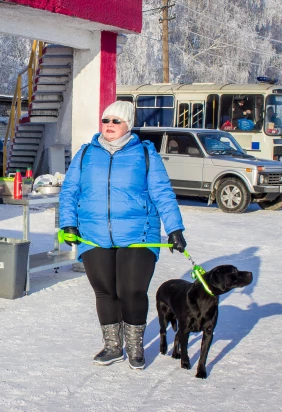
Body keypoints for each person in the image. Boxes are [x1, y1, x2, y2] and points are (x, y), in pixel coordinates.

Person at [59, 100, 186, 370]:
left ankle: (135, 346)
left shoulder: (145, 153)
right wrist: (67, 224)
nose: (110, 126)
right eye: (106, 121)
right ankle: (113, 346)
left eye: (116, 121)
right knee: (104, 291)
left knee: (130, 291)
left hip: (138, 234)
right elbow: (69, 192)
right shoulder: (85, 154)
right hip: (93, 234)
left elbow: (162, 193)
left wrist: (175, 228)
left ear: (128, 124)